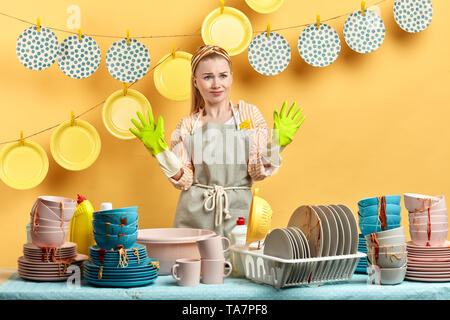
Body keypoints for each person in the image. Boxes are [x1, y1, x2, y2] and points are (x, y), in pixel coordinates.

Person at [130, 45, 305, 240]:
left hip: (238, 214)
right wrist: (160, 151)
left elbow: (257, 171)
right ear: (196, 82)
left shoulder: (249, 115)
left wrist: (276, 145)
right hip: (195, 215)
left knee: (239, 264)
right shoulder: (188, 125)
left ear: (231, 77)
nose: (216, 84)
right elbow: (185, 180)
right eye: (207, 77)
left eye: (222, 76)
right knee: (193, 266)